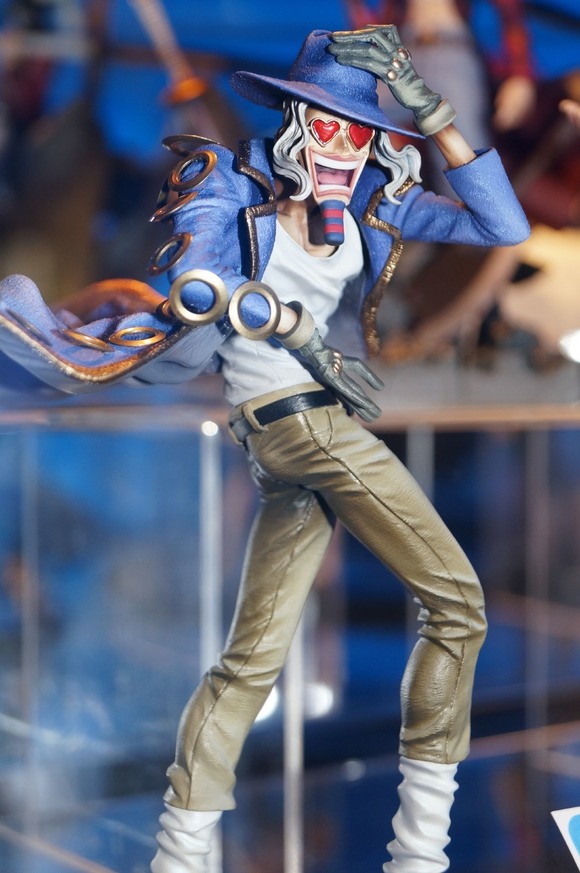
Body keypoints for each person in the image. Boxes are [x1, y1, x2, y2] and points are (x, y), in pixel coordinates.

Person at [0, 25, 529, 873]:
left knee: (249, 661)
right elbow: (203, 290)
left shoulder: (373, 207)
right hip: (299, 423)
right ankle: (419, 852)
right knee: (459, 604)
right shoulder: (233, 197)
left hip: (301, 439)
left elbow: (502, 224)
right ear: (295, 130)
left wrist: (427, 107)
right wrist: (304, 337)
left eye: (358, 133)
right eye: (326, 127)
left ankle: (180, 849)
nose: (341, 147)